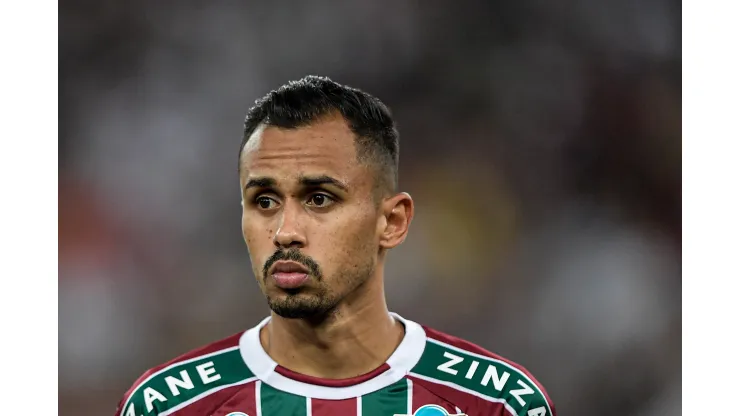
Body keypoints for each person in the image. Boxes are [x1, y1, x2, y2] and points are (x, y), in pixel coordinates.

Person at [114, 76, 557, 416]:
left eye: (319, 199)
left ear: (392, 221)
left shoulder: (496, 402)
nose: (285, 231)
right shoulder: (167, 405)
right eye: (264, 201)